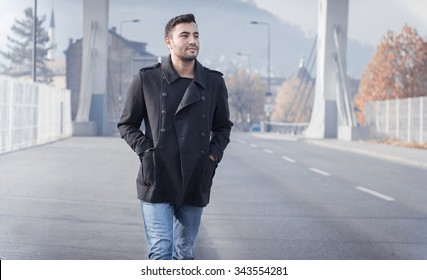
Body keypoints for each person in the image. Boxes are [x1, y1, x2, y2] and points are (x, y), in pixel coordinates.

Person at [117, 13, 233, 260]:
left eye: (196, 35)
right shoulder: (147, 79)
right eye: (185, 35)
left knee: (184, 252)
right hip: (157, 176)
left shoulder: (213, 82)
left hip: (195, 177)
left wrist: (212, 156)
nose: (193, 40)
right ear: (169, 42)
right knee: (161, 250)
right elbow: (127, 124)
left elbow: (223, 127)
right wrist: (146, 151)